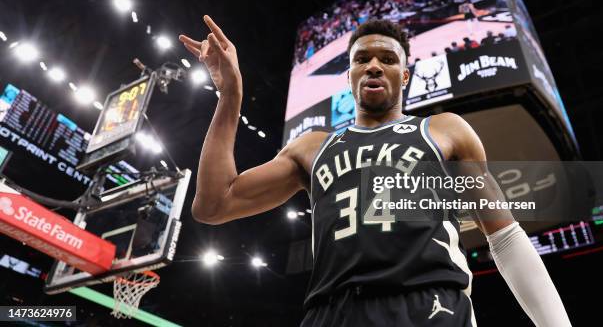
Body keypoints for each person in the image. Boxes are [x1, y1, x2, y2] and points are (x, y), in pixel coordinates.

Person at [179, 17, 571, 326]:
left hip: (429, 306)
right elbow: (214, 204)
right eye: (362, 59)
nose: (373, 66)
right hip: (332, 312)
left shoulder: (444, 130)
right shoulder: (311, 147)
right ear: (348, 76)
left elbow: (505, 239)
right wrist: (230, 94)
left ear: (406, 75)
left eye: (388, 59)